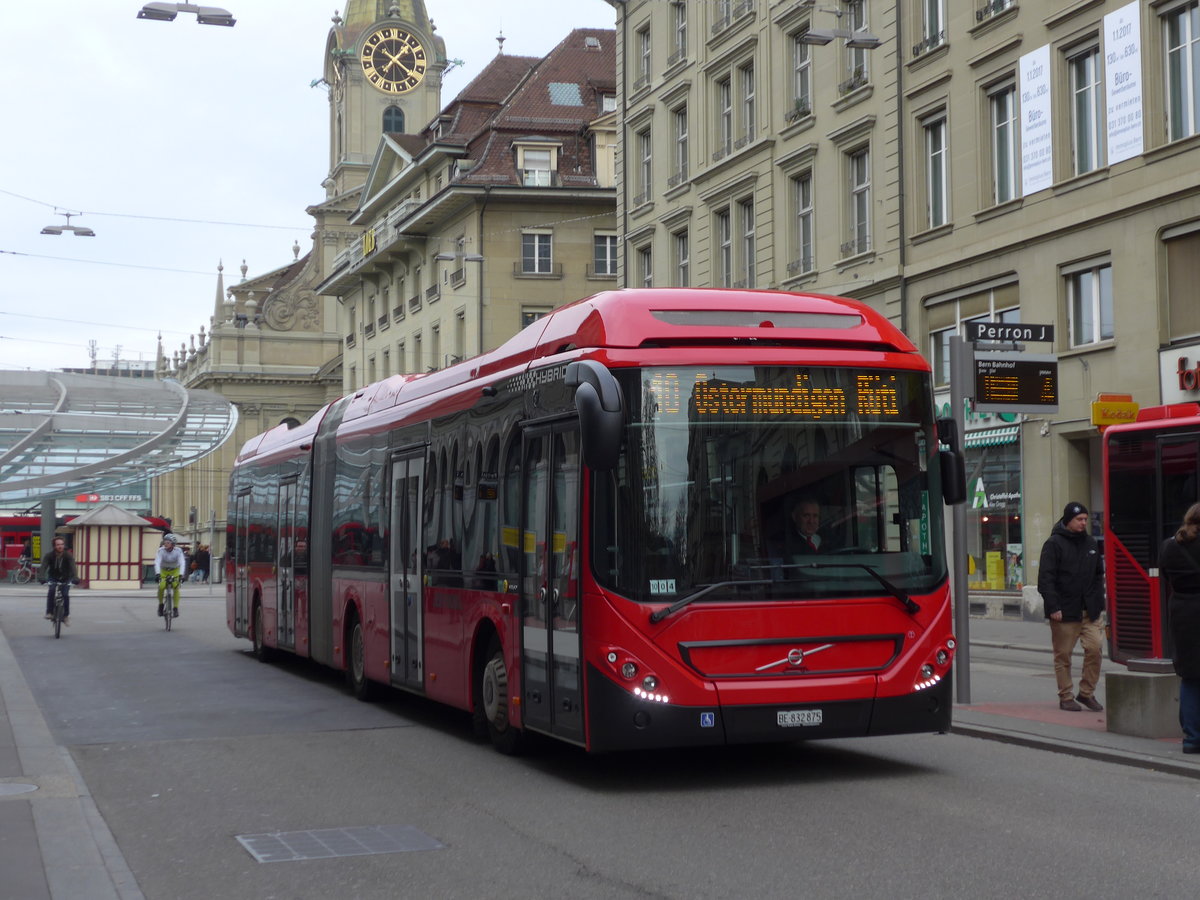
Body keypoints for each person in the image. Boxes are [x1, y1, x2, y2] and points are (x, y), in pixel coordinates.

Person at [1038, 501, 1105, 712]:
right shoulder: (1054, 543)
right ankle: (1065, 696)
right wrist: (1053, 606)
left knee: (1095, 649)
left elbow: (1098, 575)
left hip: (1090, 610)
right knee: (1063, 654)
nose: (1083, 523)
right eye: (1079, 519)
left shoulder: (1091, 543)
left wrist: (1097, 603)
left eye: (1085, 519)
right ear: (1068, 520)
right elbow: (1045, 579)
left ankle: (1086, 693)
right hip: (1064, 611)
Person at [1157, 501, 1200, 754]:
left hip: (1182, 612)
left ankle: (1193, 738)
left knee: (1190, 677)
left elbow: (1165, 577)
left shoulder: (1170, 546)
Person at [38, 537, 77, 625]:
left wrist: (75, 578)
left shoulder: (68, 555)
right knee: (51, 590)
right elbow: (43, 566)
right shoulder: (49, 555)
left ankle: (66, 616)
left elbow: (73, 567)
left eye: (62, 544)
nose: (60, 546)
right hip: (53, 577)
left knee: (65, 595)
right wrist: (41, 577)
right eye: (58, 545)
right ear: (54, 546)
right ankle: (49, 612)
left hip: (66, 577)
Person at [155, 533, 186, 618]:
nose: (165, 544)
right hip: (163, 570)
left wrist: (181, 575)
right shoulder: (161, 551)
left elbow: (182, 562)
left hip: (175, 570)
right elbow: (157, 562)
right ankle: (161, 605)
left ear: (173, 544)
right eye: (165, 542)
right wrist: (157, 574)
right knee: (161, 586)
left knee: (176, 586)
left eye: (168, 542)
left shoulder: (178, 551)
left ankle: (175, 608)